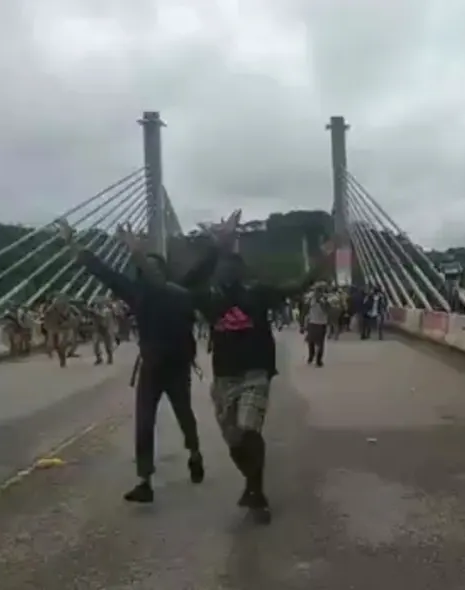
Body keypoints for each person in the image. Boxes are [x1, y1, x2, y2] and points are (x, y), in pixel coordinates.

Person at [55, 216, 235, 504]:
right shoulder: (173, 289)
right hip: (166, 366)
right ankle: (172, 464)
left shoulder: (148, 292)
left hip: (159, 365)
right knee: (172, 416)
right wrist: (219, 241)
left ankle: (161, 470)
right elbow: (100, 270)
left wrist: (73, 242)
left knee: (154, 420)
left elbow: (100, 270)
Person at [190, 234, 330, 524]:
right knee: (234, 441)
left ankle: (256, 491)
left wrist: (325, 258)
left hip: (255, 374)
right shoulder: (209, 299)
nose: (227, 273)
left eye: (233, 267)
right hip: (224, 379)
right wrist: (216, 248)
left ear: (242, 272)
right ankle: (251, 483)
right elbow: (184, 285)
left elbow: (298, 285)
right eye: (222, 267)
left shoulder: (258, 293)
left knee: (249, 430)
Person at [303, 283, 329, 366]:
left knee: (320, 342)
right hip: (312, 322)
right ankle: (311, 356)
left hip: (322, 323)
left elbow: (326, 310)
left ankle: (318, 360)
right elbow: (305, 309)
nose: (317, 293)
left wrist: (321, 303)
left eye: (319, 291)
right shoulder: (310, 298)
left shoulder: (325, 299)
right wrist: (304, 322)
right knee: (311, 341)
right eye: (316, 291)